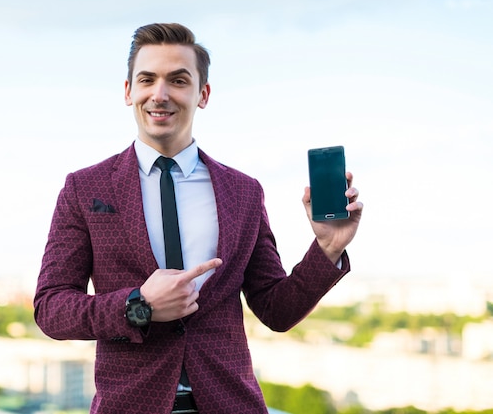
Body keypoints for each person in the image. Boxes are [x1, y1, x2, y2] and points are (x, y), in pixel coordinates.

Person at [34, 22, 363, 414]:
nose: (160, 94)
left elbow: (276, 310)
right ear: (128, 91)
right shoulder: (85, 188)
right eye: (147, 79)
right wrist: (138, 306)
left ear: (202, 94)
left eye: (178, 80)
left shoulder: (243, 192)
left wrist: (327, 248)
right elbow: (51, 309)